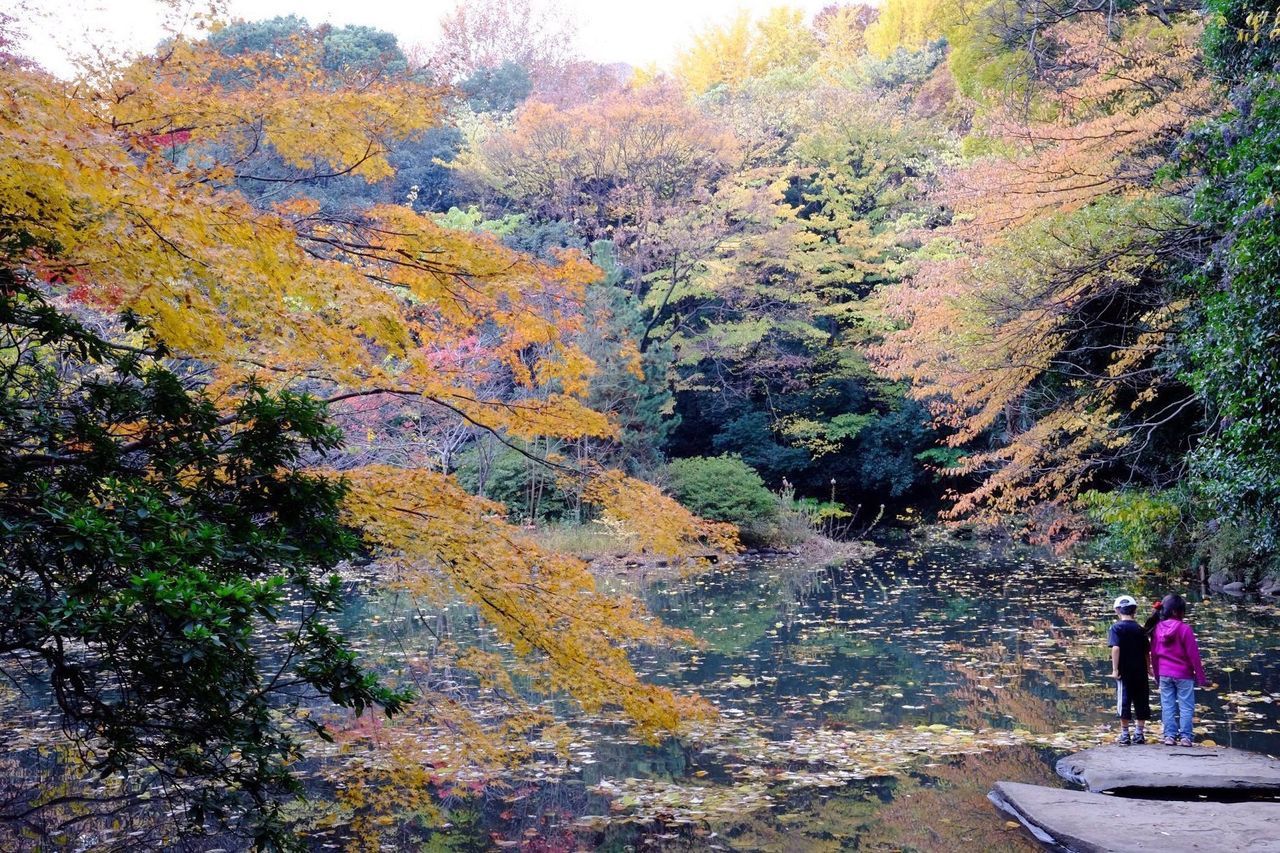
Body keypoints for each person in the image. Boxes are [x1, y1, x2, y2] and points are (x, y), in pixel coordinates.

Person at [1150, 593, 1206, 746]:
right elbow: (1194, 656)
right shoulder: (1185, 629)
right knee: (1186, 706)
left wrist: (1156, 675)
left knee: (1167, 705)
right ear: (1176, 612)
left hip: (1164, 674)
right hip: (1184, 675)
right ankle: (1186, 737)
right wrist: (1201, 678)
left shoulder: (1157, 629)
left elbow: (1154, 654)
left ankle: (1169, 736)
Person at [1108, 594, 1151, 745]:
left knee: (1124, 701)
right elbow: (1147, 651)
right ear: (1135, 611)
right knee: (1141, 700)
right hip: (1140, 671)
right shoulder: (1140, 629)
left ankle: (1125, 734)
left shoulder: (1116, 628)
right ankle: (1139, 733)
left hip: (1124, 672)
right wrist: (1149, 668)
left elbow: (1116, 648)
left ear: (1117, 610)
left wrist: (1115, 669)